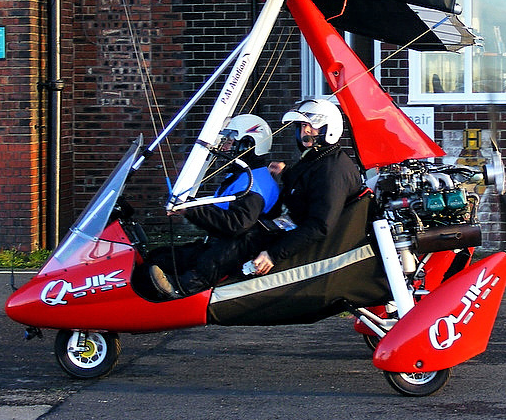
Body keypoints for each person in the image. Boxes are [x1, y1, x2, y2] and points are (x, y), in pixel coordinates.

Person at [147, 113, 280, 298]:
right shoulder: (243, 175)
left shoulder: (254, 183)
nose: (224, 146)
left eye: (230, 141)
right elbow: (220, 212)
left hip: (229, 254)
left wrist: (191, 210)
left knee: (186, 262)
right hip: (216, 245)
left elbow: (236, 225)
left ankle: (182, 290)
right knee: (158, 257)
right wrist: (190, 207)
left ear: (248, 145)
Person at [248, 98, 363, 276]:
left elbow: (319, 225)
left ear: (328, 129)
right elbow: (308, 185)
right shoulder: (318, 159)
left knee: (239, 246)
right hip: (296, 237)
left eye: (313, 125)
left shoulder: (333, 170)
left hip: (316, 255)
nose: (306, 130)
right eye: (302, 125)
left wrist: (272, 255)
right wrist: (285, 173)